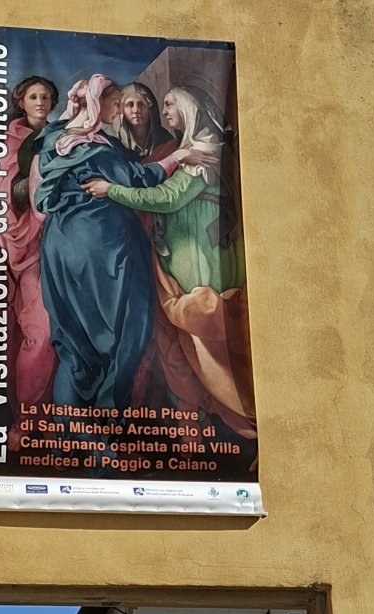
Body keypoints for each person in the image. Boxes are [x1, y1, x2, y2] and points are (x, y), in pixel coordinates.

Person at [82, 86, 256, 439]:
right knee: (184, 345)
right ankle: (197, 420)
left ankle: (234, 419)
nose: (163, 112)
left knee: (206, 342)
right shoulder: (192, 148)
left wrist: (110, 190)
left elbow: (167, 197)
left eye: (168, 104)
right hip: (182, 261)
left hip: (199, 263)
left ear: (189, 108)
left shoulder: (205, 149)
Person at [30, 75, 203, 413]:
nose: (119, 110)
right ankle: (106, 422)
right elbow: (140, 178)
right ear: (97, 103)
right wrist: (181, 155)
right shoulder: (93, 148)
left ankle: (72, 425)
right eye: (115, 102)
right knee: (124, 331)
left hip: (61, 247)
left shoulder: (55, 138)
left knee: (76, 343)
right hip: (103, 247)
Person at [0, 76, 59, 450]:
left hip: (65, 247)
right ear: (20, 101)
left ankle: (55, 419)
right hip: (28, 250)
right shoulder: (7, 144)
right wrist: (30, 200)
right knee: (39, 334)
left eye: (46, 96)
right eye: (34, 96)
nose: (40, 102)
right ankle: (27, 419)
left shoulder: (63, 138)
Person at [113, 81, 175, 161]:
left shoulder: (166, 140)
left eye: (141, 104)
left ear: (150, 109)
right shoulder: (113, 142)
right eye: (130, 105)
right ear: (122, 110)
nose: (136, 110)